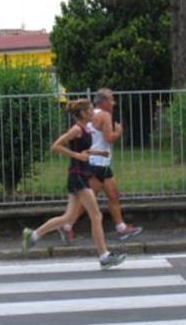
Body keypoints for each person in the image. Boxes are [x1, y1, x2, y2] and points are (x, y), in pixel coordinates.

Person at [21, 98, 126, 269]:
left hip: (80, 175)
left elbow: (82, 149)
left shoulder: (86, 128)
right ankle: (104, 256)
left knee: (69, 217)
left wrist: (98, 153)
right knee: (96, 215)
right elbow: (56, 146)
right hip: (78, 176)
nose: (93, 112)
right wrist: (77, 156)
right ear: (83, 113)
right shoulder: (76, 129)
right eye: (90, 110)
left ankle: (33, 235)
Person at [58, 88, 143, 245]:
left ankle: (121, 227)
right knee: (88, 202)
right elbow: (109, 138)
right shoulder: (104, 115)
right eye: (111, 99)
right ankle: (66, 226)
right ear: (103, 101)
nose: (113, 103)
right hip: (97, 164)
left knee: (113, 195)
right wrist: (118, 132)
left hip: (97, 162)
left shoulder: (91, 115)